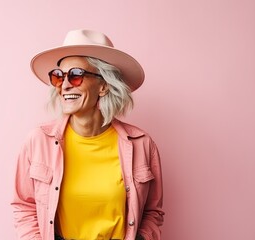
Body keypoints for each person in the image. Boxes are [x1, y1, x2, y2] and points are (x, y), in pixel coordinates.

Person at [11, 29, 164, 240]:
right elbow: (23, 206)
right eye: (58, 77)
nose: (64, 85)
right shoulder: (38, 141)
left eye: (75, 75)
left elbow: (153, 212)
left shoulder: (142, 145)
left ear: (103, 86)